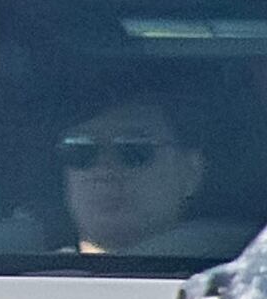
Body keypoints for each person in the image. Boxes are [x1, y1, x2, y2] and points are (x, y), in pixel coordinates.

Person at [55, 95, 246, 259]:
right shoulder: (31, 286)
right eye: (80, 150)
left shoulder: (250, 283)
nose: (104, 171)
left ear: (191, 172)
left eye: (133, 150)